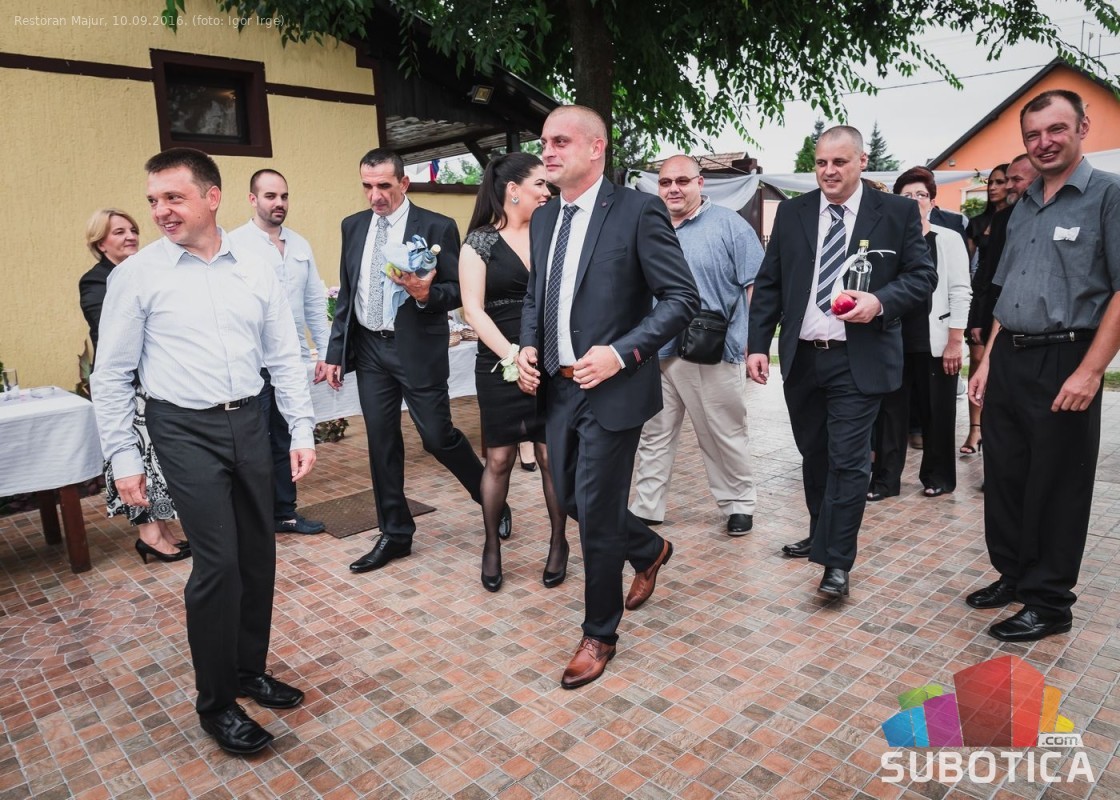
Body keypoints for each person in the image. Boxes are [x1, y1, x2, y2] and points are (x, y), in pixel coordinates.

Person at [91, 148, 316, 755]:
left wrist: (301, 429)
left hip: (251, 419)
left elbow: (284, 353)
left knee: (258, 554)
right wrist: (124, 459)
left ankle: (247, 671)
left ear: (212, 197)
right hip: (182, 427)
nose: (161, 211)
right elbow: (110, 376)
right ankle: (216, 703)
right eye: (154, 201)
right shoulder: (136, 275)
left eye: (174, 197)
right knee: (218, 564)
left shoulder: (258, 264)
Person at [516, 105, 699, 689]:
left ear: (596, 148)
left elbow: (681, 299)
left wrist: (621, 353)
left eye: (560, 141)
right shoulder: (545, 217)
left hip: (612, 387)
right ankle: (647, 548)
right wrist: (526, 345)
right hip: (558, 387)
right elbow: (536, 295)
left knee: (594, 515)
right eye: (544, 142)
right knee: (570, 498)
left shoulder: (638, 211)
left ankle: (600, 633)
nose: (547, 152)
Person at [746, 125, 936, 600]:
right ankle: (820, 533)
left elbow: (921, 276)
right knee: (815, 455)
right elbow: (769, 283)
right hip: (803, 357)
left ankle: (836, 562)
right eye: (821, 163)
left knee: (849, 462)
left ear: (862, 162)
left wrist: (880, 301)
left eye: (839, 162)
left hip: (859, 357)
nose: (828, 171)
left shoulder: (895, 212)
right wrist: (757, 345)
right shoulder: (793, 213)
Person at [967, 89, 1120, 642]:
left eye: (1056, 129)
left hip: (1066, 356)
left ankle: (1050, 602)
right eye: (1032, 134)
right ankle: (1013, 574)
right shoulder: (1025, 203)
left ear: (1082, 127)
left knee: (1057, 485)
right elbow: (1009, 288)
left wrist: (1090, 371)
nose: (1044, 142)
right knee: (1006, 475)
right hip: (1010, 355)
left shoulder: (1108, 195)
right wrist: (988, 361)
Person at [323, 148, 509, 574]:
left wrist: (427, 294)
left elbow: (459, 290)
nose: (375, 196)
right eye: (367, 186)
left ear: (404, 183)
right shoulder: (352, 226)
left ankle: (491, 499)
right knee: (381, 442)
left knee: (438, 437)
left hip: (416, 349)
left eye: (384, 186)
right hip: (370, 349)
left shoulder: (436, 226)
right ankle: (395, 533)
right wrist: (335, 353)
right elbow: (349, 293)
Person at [629, 155, 762, 535]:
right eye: (665, 182)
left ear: (700, 183)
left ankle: (739, 504)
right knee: (653, 435)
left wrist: (752, 341)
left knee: (723, 434)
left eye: (682, 181)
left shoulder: (729, 225)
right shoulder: (648, 227)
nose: (673, 189)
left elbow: (756, 285)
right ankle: (646, 506)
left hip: (710, 350)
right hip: (654, 350)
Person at [458, 152, 568, 591]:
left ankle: (559, 542)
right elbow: (472, 311)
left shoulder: (552, 232)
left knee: (550, 457)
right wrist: (512, 356)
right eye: (540, 184)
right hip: (497, 359)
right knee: (500, 458)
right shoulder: (479, 242)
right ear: (513, 190)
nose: (547, 192)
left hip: (550, 361)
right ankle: (491, 545)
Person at [80, 208, 188, 563]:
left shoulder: (144, 272)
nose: (130, 236)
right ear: (100, 243)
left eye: (132, 230)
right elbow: (113, 332)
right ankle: (148, 534)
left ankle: (162, 528)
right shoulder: (96, 281)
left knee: (153, 460)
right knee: (132, 459)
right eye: (118, 232)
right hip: (123, 386)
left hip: (150, 383)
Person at [230, 170, 329, 535]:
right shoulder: (234, 244)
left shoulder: (300, 244)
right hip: (254, 364)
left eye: (284, 196)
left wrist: (325, 352)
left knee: (287, 437)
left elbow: (314, 301)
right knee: (253, 443)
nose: (279, 203)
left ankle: (285, 513)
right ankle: (254, 518)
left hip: (291, 361)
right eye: (270, 196)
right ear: (252, 199)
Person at [868, 168, 971, 500]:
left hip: (935, 341)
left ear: (932, 201)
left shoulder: (948, 239)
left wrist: (955, 341)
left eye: (921, 195)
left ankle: (938, 477)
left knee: (937, 413)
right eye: (906, 195)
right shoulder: (886, 240)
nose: (914, 201)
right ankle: (885, 481)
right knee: (889, 416)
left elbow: (960, 291)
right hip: (892, 341)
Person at [963, 155, 1039, 456]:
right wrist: (977, 318)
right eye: (999, 181)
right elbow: (987, 273)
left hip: (1034, 320)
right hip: (993, 310)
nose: (1005, 186)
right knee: (983, 371)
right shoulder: (999, 219)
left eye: (1012, 180)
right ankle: (980, 433)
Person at [960, 164, 1009, 454]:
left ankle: (997, 432)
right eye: (991, 182)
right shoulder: (977, 223)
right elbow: (969, 268)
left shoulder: (1020, 219)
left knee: (1002, 367)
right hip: (980, 298)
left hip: (1008, 297)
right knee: (978, 363)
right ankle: (974, 429)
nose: (993, 187)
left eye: (1000, 182)